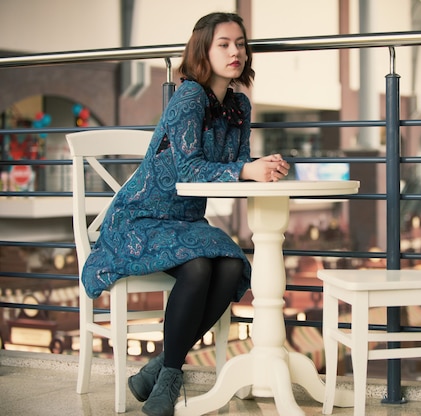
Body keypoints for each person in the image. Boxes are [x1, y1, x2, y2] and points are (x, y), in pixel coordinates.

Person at [80, 12, 290, 416]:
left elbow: (236, 163)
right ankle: (170, 377)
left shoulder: (239, 105)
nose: (235, 52)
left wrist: (261, 166)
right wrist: (246, 170)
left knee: (230, 266)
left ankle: (158, 366)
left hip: (185, 222)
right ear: (203, 51)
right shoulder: (189, 97)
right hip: (141, 217)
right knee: (198, 268)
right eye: (223, 44)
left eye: (240, 44)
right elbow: (189, 169)